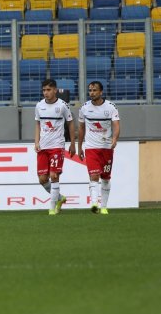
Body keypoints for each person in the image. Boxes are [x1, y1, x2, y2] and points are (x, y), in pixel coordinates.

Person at [78, 81, 120, 215]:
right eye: (90, 90)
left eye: (94, 90)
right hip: (91, 147)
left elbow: (116, 125)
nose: (92, 93)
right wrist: (79, 147)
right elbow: (81, 128)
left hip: (106, 147)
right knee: (94, 175)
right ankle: (94, 203)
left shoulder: (111, 107)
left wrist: (114, 139)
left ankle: (104, 206)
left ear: (101, 92)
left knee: (106, 178)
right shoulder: (84, 108)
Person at [34, 78, 76, 216]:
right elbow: (38, 124)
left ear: (55, 90)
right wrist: (36, 141)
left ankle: (52, 208)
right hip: (43, 147)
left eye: (48, 90)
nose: (46, 93)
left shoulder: (63, 105)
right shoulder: (39, 105)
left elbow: (70, 123)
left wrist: (72, 143)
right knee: (42, 179)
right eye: (44, 90)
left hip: (57, 146)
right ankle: (60, 198)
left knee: (54, 175)